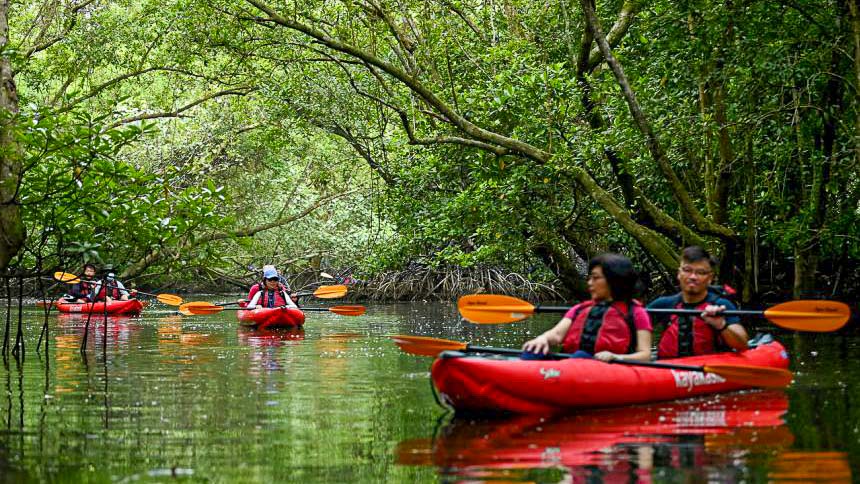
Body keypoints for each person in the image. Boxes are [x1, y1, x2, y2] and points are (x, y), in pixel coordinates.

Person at [522, 253, 652, 362]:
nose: (589, 283)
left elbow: (645, 355)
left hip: (611, 369)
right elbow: (556, 335)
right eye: (590, 278)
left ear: (615, 280)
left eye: (595, 278)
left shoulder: (635, 312)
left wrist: (616, 357)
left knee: (581, 355)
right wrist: (542, 339)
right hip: (573, 365)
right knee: (533, 350)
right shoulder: (580, 309)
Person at [648, 246, 748, 359]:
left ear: (710, 278)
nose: (693, 277)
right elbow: (633, 329)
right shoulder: (663, 305)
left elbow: (742, 345)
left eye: (700, 272)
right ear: (679, 274)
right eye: (687, 270)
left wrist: (721, 325)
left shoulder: (721, 305)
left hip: (709, 369)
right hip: (669, 371)